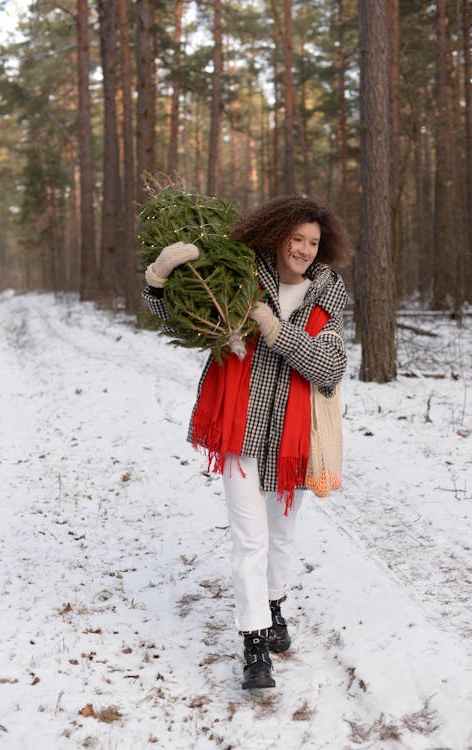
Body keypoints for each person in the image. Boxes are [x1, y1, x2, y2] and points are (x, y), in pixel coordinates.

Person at [143, 195, 352, 690]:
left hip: (298, 435)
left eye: (312, 242)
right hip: (241, 429)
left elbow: (330, 368)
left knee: (281, 535)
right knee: (250, 539)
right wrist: (158, 280)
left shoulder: (328, 294)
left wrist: (274, 329)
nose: (303, 249)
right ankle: (254, 642)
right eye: (296, 238)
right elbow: (182, 320)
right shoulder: (240, 276)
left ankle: (274, 603)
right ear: (277, 234)